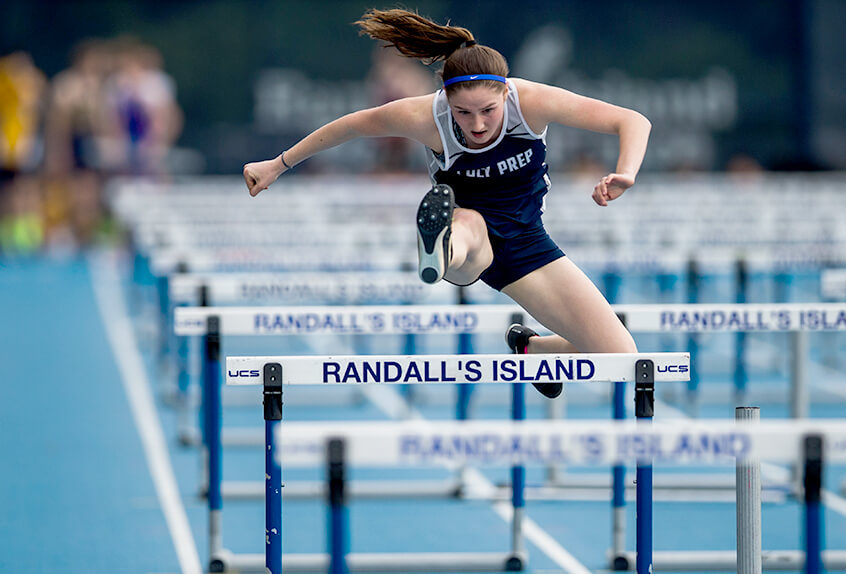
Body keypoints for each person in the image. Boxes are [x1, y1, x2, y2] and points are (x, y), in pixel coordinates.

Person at [243, 9, 650, 398]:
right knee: (469, 228)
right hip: (472, 235)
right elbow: (351, 126)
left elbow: (632, 120)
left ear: (505, 94)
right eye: (463, 113)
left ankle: (537, 352)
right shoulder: (427, 117)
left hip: (529, 244)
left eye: (488, 111)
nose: (476, 125)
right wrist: (278, 164)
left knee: (624, 358)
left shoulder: (530, 102)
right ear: (445, 99)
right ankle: (440, 248)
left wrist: (625, 173)